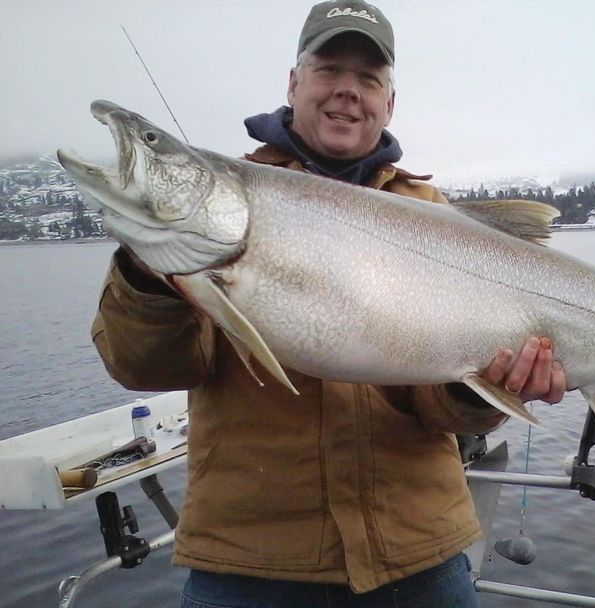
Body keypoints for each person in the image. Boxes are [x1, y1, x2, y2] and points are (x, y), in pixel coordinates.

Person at [91, 2, 567, 607]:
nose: (347, 90)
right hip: (251, 565)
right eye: (329, 69)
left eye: (368, 79)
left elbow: (442, 411)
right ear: (294, 84)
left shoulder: (438, 215)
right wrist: (152, 270)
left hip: (418, 559)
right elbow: (145, 367)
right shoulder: (228, 205)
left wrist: (486, 387)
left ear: (388, 103)